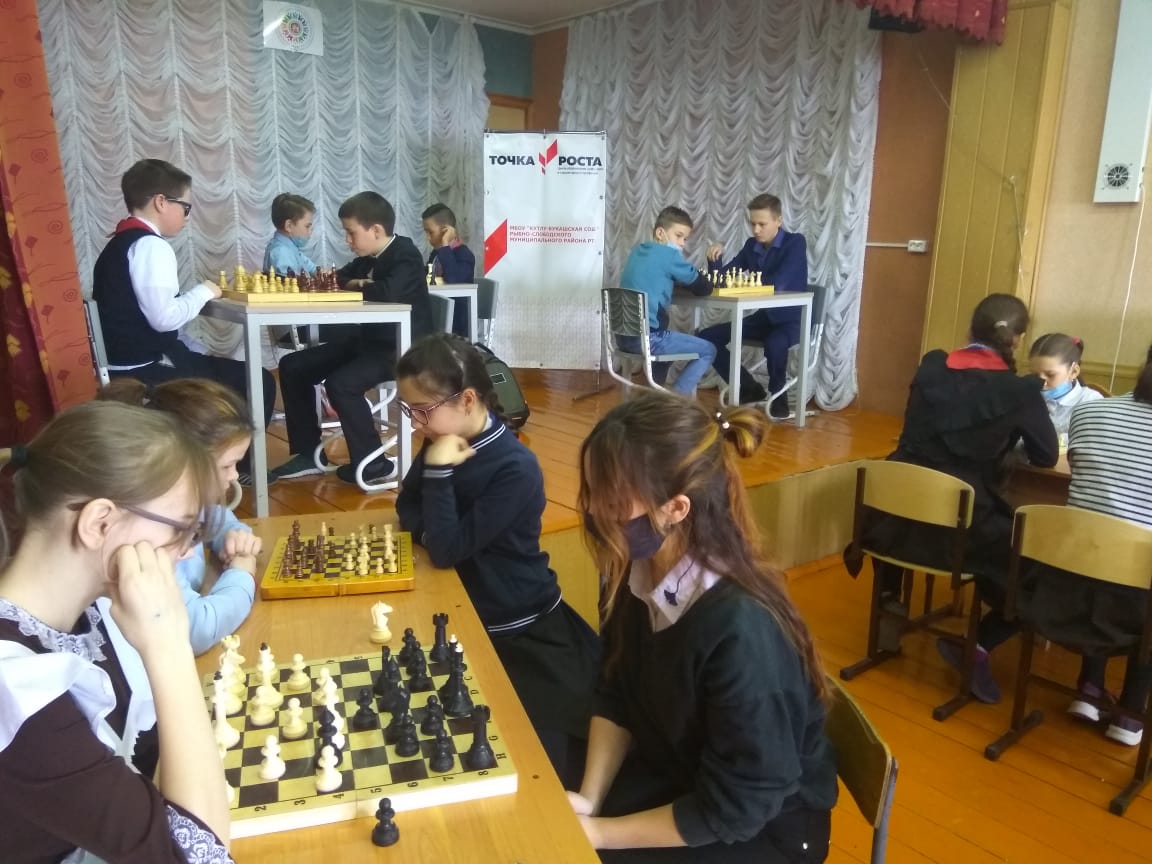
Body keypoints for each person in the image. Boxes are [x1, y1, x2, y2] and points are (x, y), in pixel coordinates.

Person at [571, 390, 836, 862]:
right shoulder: (632, 570)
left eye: (611, 500)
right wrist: (588, 802)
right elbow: (616, 689)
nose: (592, 512)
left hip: (762, 830)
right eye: (591, 492)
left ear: (676, 508)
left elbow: (739, 807)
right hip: (682, 775)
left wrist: (600, 835)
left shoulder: (740, 629)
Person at [0, 401, 232, 862]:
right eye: (182, 529)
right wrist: (168, 644)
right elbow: (197, 855)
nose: (187, 552)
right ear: (100, 522)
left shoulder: (94, 612)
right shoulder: (14, 689)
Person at [394, 333, 599, 787]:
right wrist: (433, 526)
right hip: (466, 608)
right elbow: (407, 507)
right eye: (409, 411)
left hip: (521, 626)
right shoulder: (441, 438)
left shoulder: (514, 467)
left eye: (423, 410)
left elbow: (445, 549)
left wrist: (439, 474)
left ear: (468, 399)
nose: (416, 424)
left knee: (534, 765)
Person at [846, 294, 1059, 703]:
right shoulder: (1017, 392)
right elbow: (1047, 455)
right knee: (1036, 564)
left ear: (970, 328)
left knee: (914, 491)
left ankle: (891, 602)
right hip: (961, 530)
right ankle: (979, 644)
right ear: (1017, 340)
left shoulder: (931, 367)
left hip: (894, 518)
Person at [92, 158, 276, 469]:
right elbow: (163, 319)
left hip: (127, 361)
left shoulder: (120, 242)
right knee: (258, 380)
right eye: (186, 207)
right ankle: (238, 469)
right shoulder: (151, 246)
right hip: (145, 369)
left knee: (213, 361)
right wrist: (205, 291)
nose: (187, 217)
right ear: (161, 202)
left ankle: (219, 464)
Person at [1024, 343, 1152, 746]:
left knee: (1103, 541)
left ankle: (1090, 688)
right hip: (1135, 606)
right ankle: (1130, 714)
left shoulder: (1090, 412)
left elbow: (1086, 475)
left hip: (1063, 583)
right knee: (1136, 562)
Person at [271, 191, 433, 485]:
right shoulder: (367, 258)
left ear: (376, 230)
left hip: (402, 349)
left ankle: (374, 465)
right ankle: (308, 454)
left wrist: (360, 285)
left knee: (341, 383)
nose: (347, 240)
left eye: (351, 232)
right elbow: (337, 279)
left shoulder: (405, 254)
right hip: (368, 343)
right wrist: (360, 282)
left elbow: (386, 293)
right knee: (293, 366)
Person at [99, 378, 261, 655]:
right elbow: (195, 629)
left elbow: (215, 515)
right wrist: (242, 573)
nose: (234, 475)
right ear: (182, 464)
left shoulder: (177, 505)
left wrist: (234, 536)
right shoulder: (143, 533)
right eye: (228, 465)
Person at [697, 194, 808, 418]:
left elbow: (778, 283)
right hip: (764, 318)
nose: (756, 230)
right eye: (752, 224)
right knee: (707, 337)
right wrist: (714, 259)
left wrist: (745, 282)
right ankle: (748, 387)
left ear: (778, 221)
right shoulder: (751, 245)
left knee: (775, 343)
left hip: (792, 320)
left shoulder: (795, 242)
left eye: (762, 224)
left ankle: (779, 399)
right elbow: (723, 279)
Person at [617, 206, 715, 395]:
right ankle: (674, 401)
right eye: (678, 236)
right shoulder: (669, 255)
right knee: (708, 350)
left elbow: (654, 277)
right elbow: (703, 287)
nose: (682, 243)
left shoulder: (638, 251)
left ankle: (652, 400)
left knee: (668, 354)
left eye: (685, 239)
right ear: (660, 233)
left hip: (623, 338)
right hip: (648, 339)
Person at [1027, 333, 1102, 440]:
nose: (1041, 383)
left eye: (1050, 375)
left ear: (1074, 371)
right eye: (1034, 375)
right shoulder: (1027, 396)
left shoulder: (1090, 402)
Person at [421, 204, 476, 337]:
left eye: (430, 232)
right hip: (436, 316)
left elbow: (453, 280)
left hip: (456, 325)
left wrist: (445, 244)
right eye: (425, 232)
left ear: (446, 230)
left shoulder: (464, 255)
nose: (427, 237)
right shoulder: (437, 253)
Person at [263, 192, 318, 276]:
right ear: (289, 226)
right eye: (307, 226)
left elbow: (312, 268)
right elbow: (294, 283)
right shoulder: (281, 253)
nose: (311, 230)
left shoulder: (291, 247)